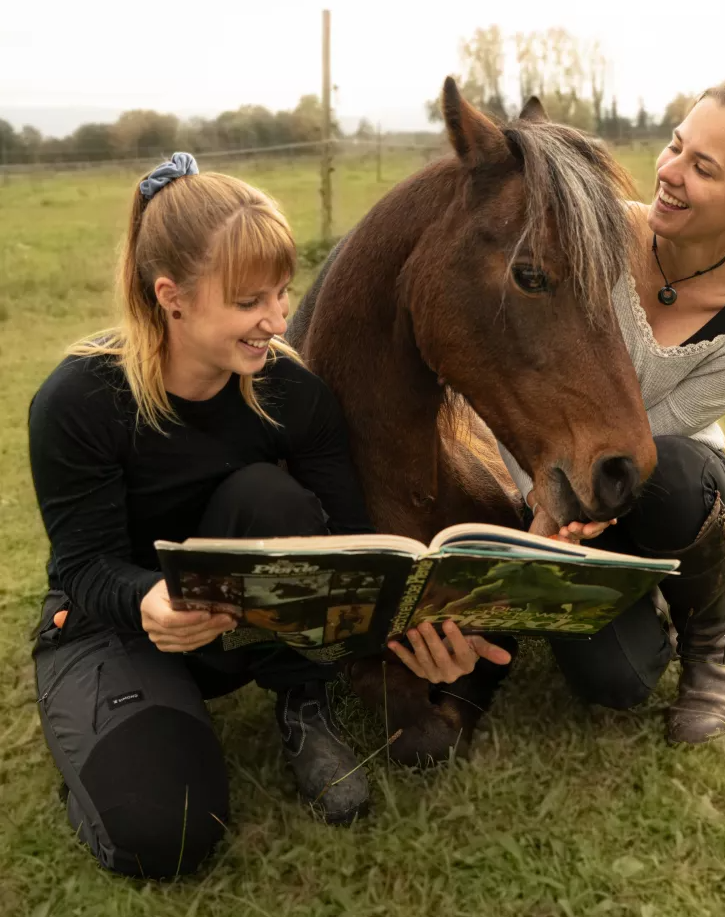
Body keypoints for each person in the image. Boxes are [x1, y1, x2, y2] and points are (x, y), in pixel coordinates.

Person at [28, 153, 510, 879]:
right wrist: (147, 600)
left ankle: (301, 701)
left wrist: (421, 629)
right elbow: (83, 566)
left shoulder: (293, 394)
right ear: (173, 296)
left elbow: (353, 550)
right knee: (165, 835)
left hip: (236, 628)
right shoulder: (78, 401)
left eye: (284, 293)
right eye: (251, 301)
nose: (278, 320)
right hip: (117, 624)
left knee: (271, 496)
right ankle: (109, 731)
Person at [498, 79, 725, 744]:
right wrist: (542, 503)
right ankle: (638, 594)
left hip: (661, 485)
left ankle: (712, 647)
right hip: (556, 478)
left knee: (677, 473)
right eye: (675, 146)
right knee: (617, 682)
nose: (670, 172)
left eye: (703, 167)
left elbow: (646, 438)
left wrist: (566, 504)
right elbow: (521, 378)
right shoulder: (589, 239)